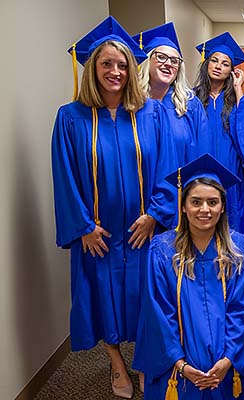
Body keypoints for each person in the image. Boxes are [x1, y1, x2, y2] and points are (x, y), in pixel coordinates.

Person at [52, 16, 177, 398]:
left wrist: (156, 214)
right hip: (99, 234)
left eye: (123, 64)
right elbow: (64, 177)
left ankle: (143, 361)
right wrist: (83, 227)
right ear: (93, 68)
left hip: (142, 230)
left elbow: (168, 168)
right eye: (107, 63)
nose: (116, 71)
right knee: (101, 298)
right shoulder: (69, 118)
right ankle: (117, 362)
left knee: (148, 301)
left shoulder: (152, 113)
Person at [136, 154, 244, 399]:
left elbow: (243, 308)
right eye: (196, 202)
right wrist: (180, 363)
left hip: (225, 361)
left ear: (222, 207)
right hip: (177, 363)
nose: (204, 210)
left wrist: (229, 358)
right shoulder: (163, 250)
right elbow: (159, 313)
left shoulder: (239, 249)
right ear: (183, 207)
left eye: (212, 202)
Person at [192, 32, 244, 237]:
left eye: (225, 63)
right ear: (206, 64)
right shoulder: (192, 98)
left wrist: (238, 89)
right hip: (199, 172)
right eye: (214, 60)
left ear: (232, 71)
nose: (218, 66)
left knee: (231, 222)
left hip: (232, 172)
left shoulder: (242, 100)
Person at [136, 22, 208, 166]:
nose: (169, 64)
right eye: (161, 57)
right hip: (139, 185)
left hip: (179, 186)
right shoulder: (130, 103)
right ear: (147, 61)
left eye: (175, 61)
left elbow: (203, 152)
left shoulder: (190, 105)